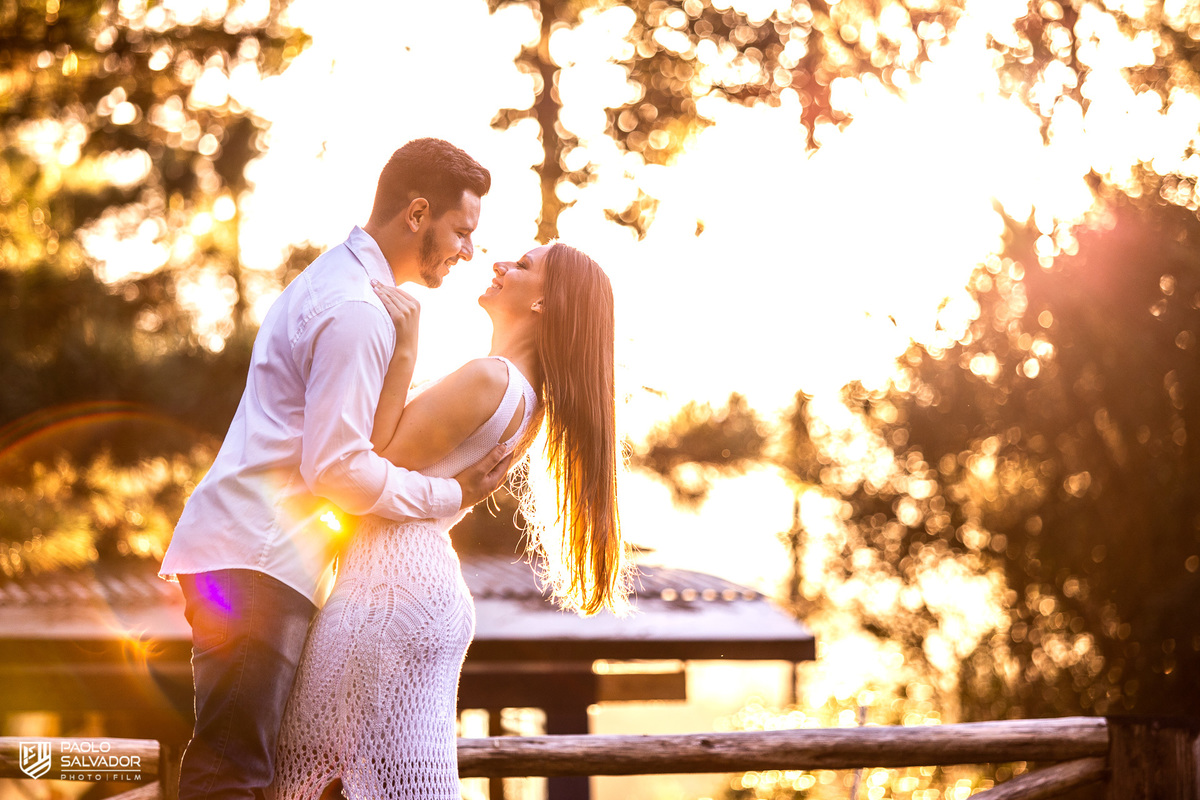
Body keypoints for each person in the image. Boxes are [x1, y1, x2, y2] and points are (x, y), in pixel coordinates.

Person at [159, 138, 512, 800]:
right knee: (231, 776)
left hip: (252, 555)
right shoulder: (356, 310)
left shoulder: (341, 285)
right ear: (416, 214)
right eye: (462, 230)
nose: (468, 250)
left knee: (243, 771)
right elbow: (339, 470)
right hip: (257, 560)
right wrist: (448, 495)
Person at [269, 241, 628, 800]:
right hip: (413, 588)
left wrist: (405, 349)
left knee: (320, 774)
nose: (501, 265)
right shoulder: (526, 399)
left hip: (388, 592)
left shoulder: (491, 379)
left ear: (545, 304)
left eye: (524, 266)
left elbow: (368, 462)